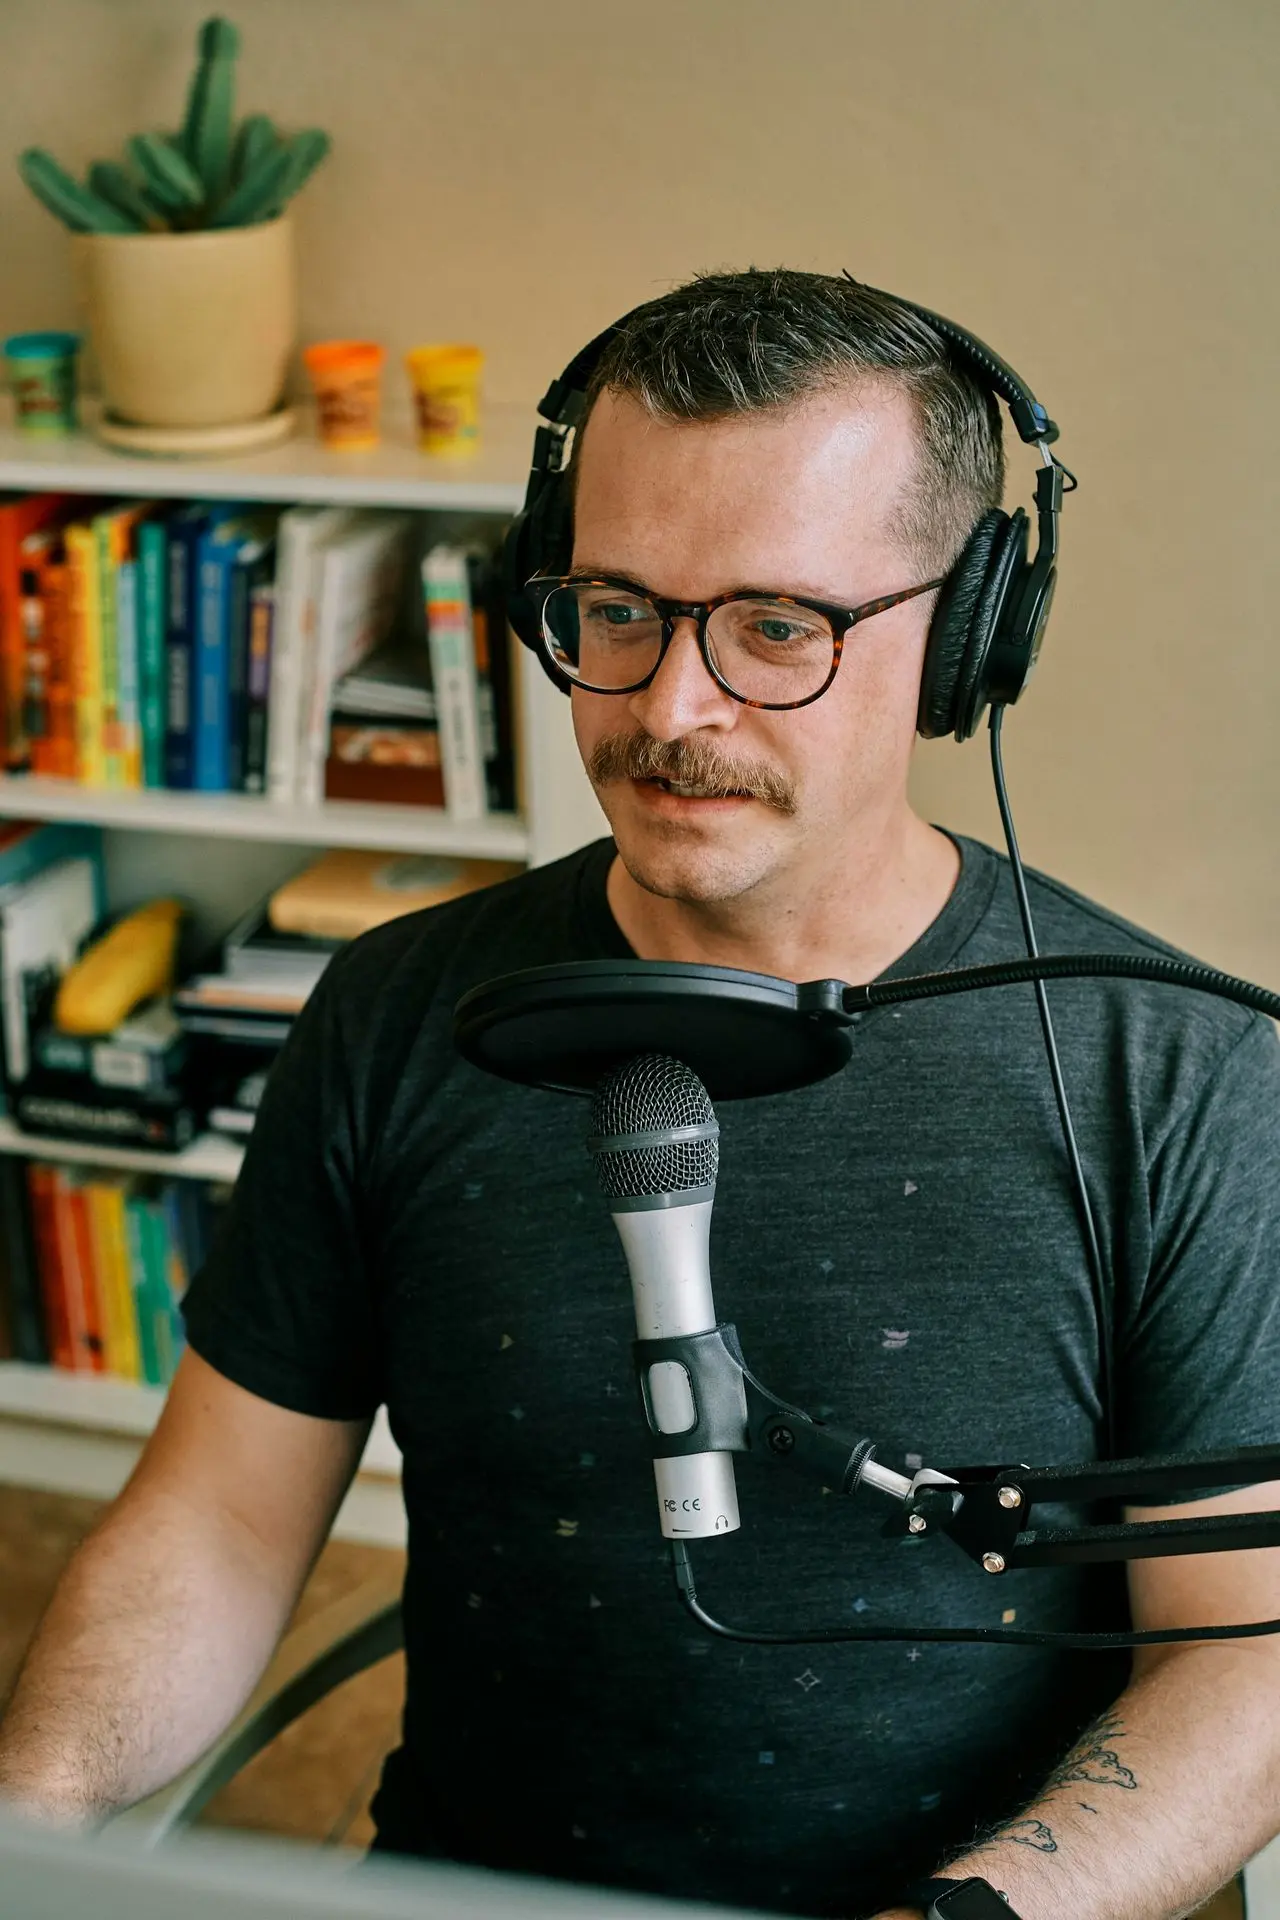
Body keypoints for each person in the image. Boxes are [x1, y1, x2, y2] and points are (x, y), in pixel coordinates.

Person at [1, 270, 1278, 1920]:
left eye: (776, 629)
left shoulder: (1175, 1074)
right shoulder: (398, 1008)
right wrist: (28, 1818)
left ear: (967, 636)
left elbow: (1245, 1666)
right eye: (617, 611)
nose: (673, 710)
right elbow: (220, 1528)